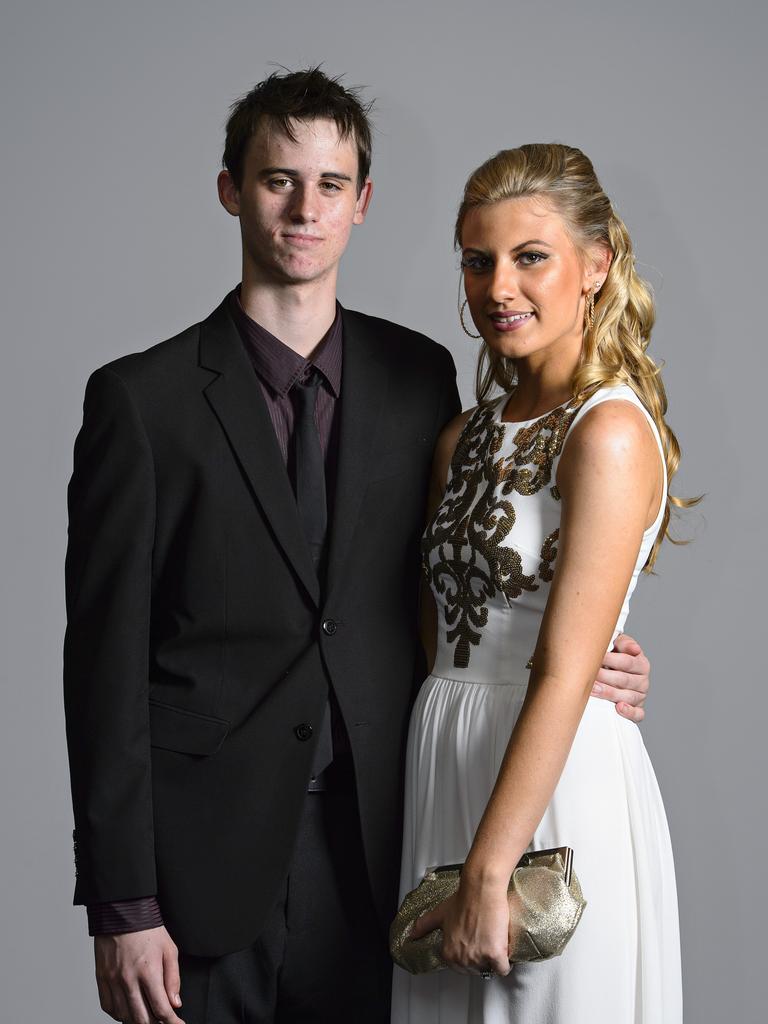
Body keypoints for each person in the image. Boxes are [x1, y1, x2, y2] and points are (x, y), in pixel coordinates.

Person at [63, 70, 652, 1024]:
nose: (305, 208)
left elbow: (473, 577)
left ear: (362, 203)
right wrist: (123, 902)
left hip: (392, 842)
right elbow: (101, 668)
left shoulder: (421, 381)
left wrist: (594, 661)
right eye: (276, 179)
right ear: (230, 189)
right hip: (202, 869)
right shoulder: (140, 402)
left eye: (330, 184)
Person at [392, 143, 686, 1023]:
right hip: (445, 763)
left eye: (530, 257)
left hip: (550, 792)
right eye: (478, 262)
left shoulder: (610, 432)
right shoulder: (462, 439)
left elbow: (563, 669)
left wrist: (491, 867)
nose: (497, 288)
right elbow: (435, 629)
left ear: (596, 266)